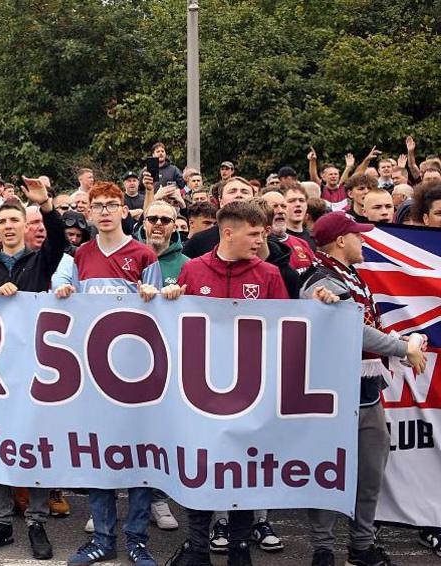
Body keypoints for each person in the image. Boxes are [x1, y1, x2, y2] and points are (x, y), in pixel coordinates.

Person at [167, 201, 290, 566]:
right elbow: (173, 329)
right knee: (200, 468)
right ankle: (198, 548)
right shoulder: (193, 269)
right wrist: (167, 299)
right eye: (254, 233)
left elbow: (286, 328)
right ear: (228, 232)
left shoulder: (268, 273)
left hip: (250, 393)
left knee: (243, 470)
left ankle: (239, 547)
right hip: (199, 392)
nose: (260, 240)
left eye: (263, 233)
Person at [301, 212, 427, 566]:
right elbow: (352, 328)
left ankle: (361, 546)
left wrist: (405, 343)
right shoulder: (317, 280)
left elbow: (366, 324)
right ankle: (322, 550)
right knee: (326, 473)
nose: (364, 241)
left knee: (371, 471)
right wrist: (403, 348)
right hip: (331, 396)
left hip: (366, 389)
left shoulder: (349, 277)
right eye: (357, 235)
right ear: (341, 241)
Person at [54, 181, 164, 566]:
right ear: (89, 212)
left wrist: (154, 296)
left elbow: (161, 315)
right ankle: (102, 538)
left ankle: (136, 539)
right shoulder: (79, 254)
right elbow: (59, 283)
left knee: (136, 458)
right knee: (98, 458)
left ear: (124, 210)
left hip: (134, 375)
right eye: (97, 205)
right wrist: (63, 289)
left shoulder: (144, 254)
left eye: (111, 205)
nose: (103, 211)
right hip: (92, 376)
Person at [0, 178, 64, 561]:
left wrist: (47, 205)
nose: (7, 226)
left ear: (25, 226)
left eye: (14, 220)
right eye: (1, 221)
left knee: (34, 446)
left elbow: (59, 241)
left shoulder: (41, 260)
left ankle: (36, 520)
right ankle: (1, 521)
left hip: (37, 369)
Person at [182, 178, 255, 258]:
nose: (239, 195)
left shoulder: (265, 239)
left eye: (245, 192)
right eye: (232, 191)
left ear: (254, 199)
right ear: (221, 201)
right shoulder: (199, 241)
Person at [138, 200, 188, 286]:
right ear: (144, 224)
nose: (158, 223)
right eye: (152, 219)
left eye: (165, 220)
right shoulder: (128, 259)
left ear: (174, 227)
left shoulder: (187, 265)